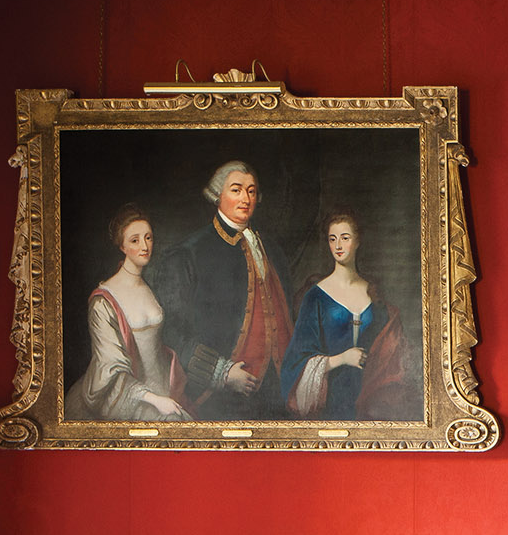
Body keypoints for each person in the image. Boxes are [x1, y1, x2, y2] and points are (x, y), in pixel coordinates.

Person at [148, 160, 293, 419]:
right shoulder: (188, 254)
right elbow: (171, 332)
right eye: (236, 190)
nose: (245, 198)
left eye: (251, 191)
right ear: (217, 196)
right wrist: (221, 372)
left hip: (274, 389)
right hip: (217, 396)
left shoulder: (274, 251)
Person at [281, 212, 422, 420]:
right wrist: (342, 358)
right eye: (332, 239)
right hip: (331, 399)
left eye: (345, 238)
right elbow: (297, 362)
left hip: (371, 398)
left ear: (357, 241)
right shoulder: (315, 297)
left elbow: (393, 352)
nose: (338, 246)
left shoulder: (376, 296)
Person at [62, 205, 191, 422]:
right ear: (121, 246)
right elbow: (111, 367)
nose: (144, 246)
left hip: (164, 389)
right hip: (128, 396)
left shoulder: (147, 286)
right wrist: (155, 400)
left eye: (148, 238)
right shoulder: (103, 301)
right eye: (135, 240)